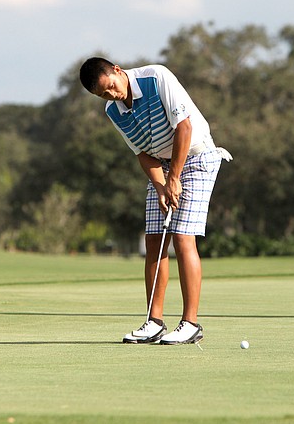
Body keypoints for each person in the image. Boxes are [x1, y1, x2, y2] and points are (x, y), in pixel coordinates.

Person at [79, 57, 231, 344]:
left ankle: (190, 323)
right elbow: (142, 153)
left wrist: (174, 178)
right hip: (161, 165)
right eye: (103, 94)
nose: (111, 95)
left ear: (117, 70)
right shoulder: (113, 111)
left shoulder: (155, 77)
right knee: (154, 240)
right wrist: (161, 186)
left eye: (110, 86)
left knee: (183, 237)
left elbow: (184, 127)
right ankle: (154, 321)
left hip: (197, 157)